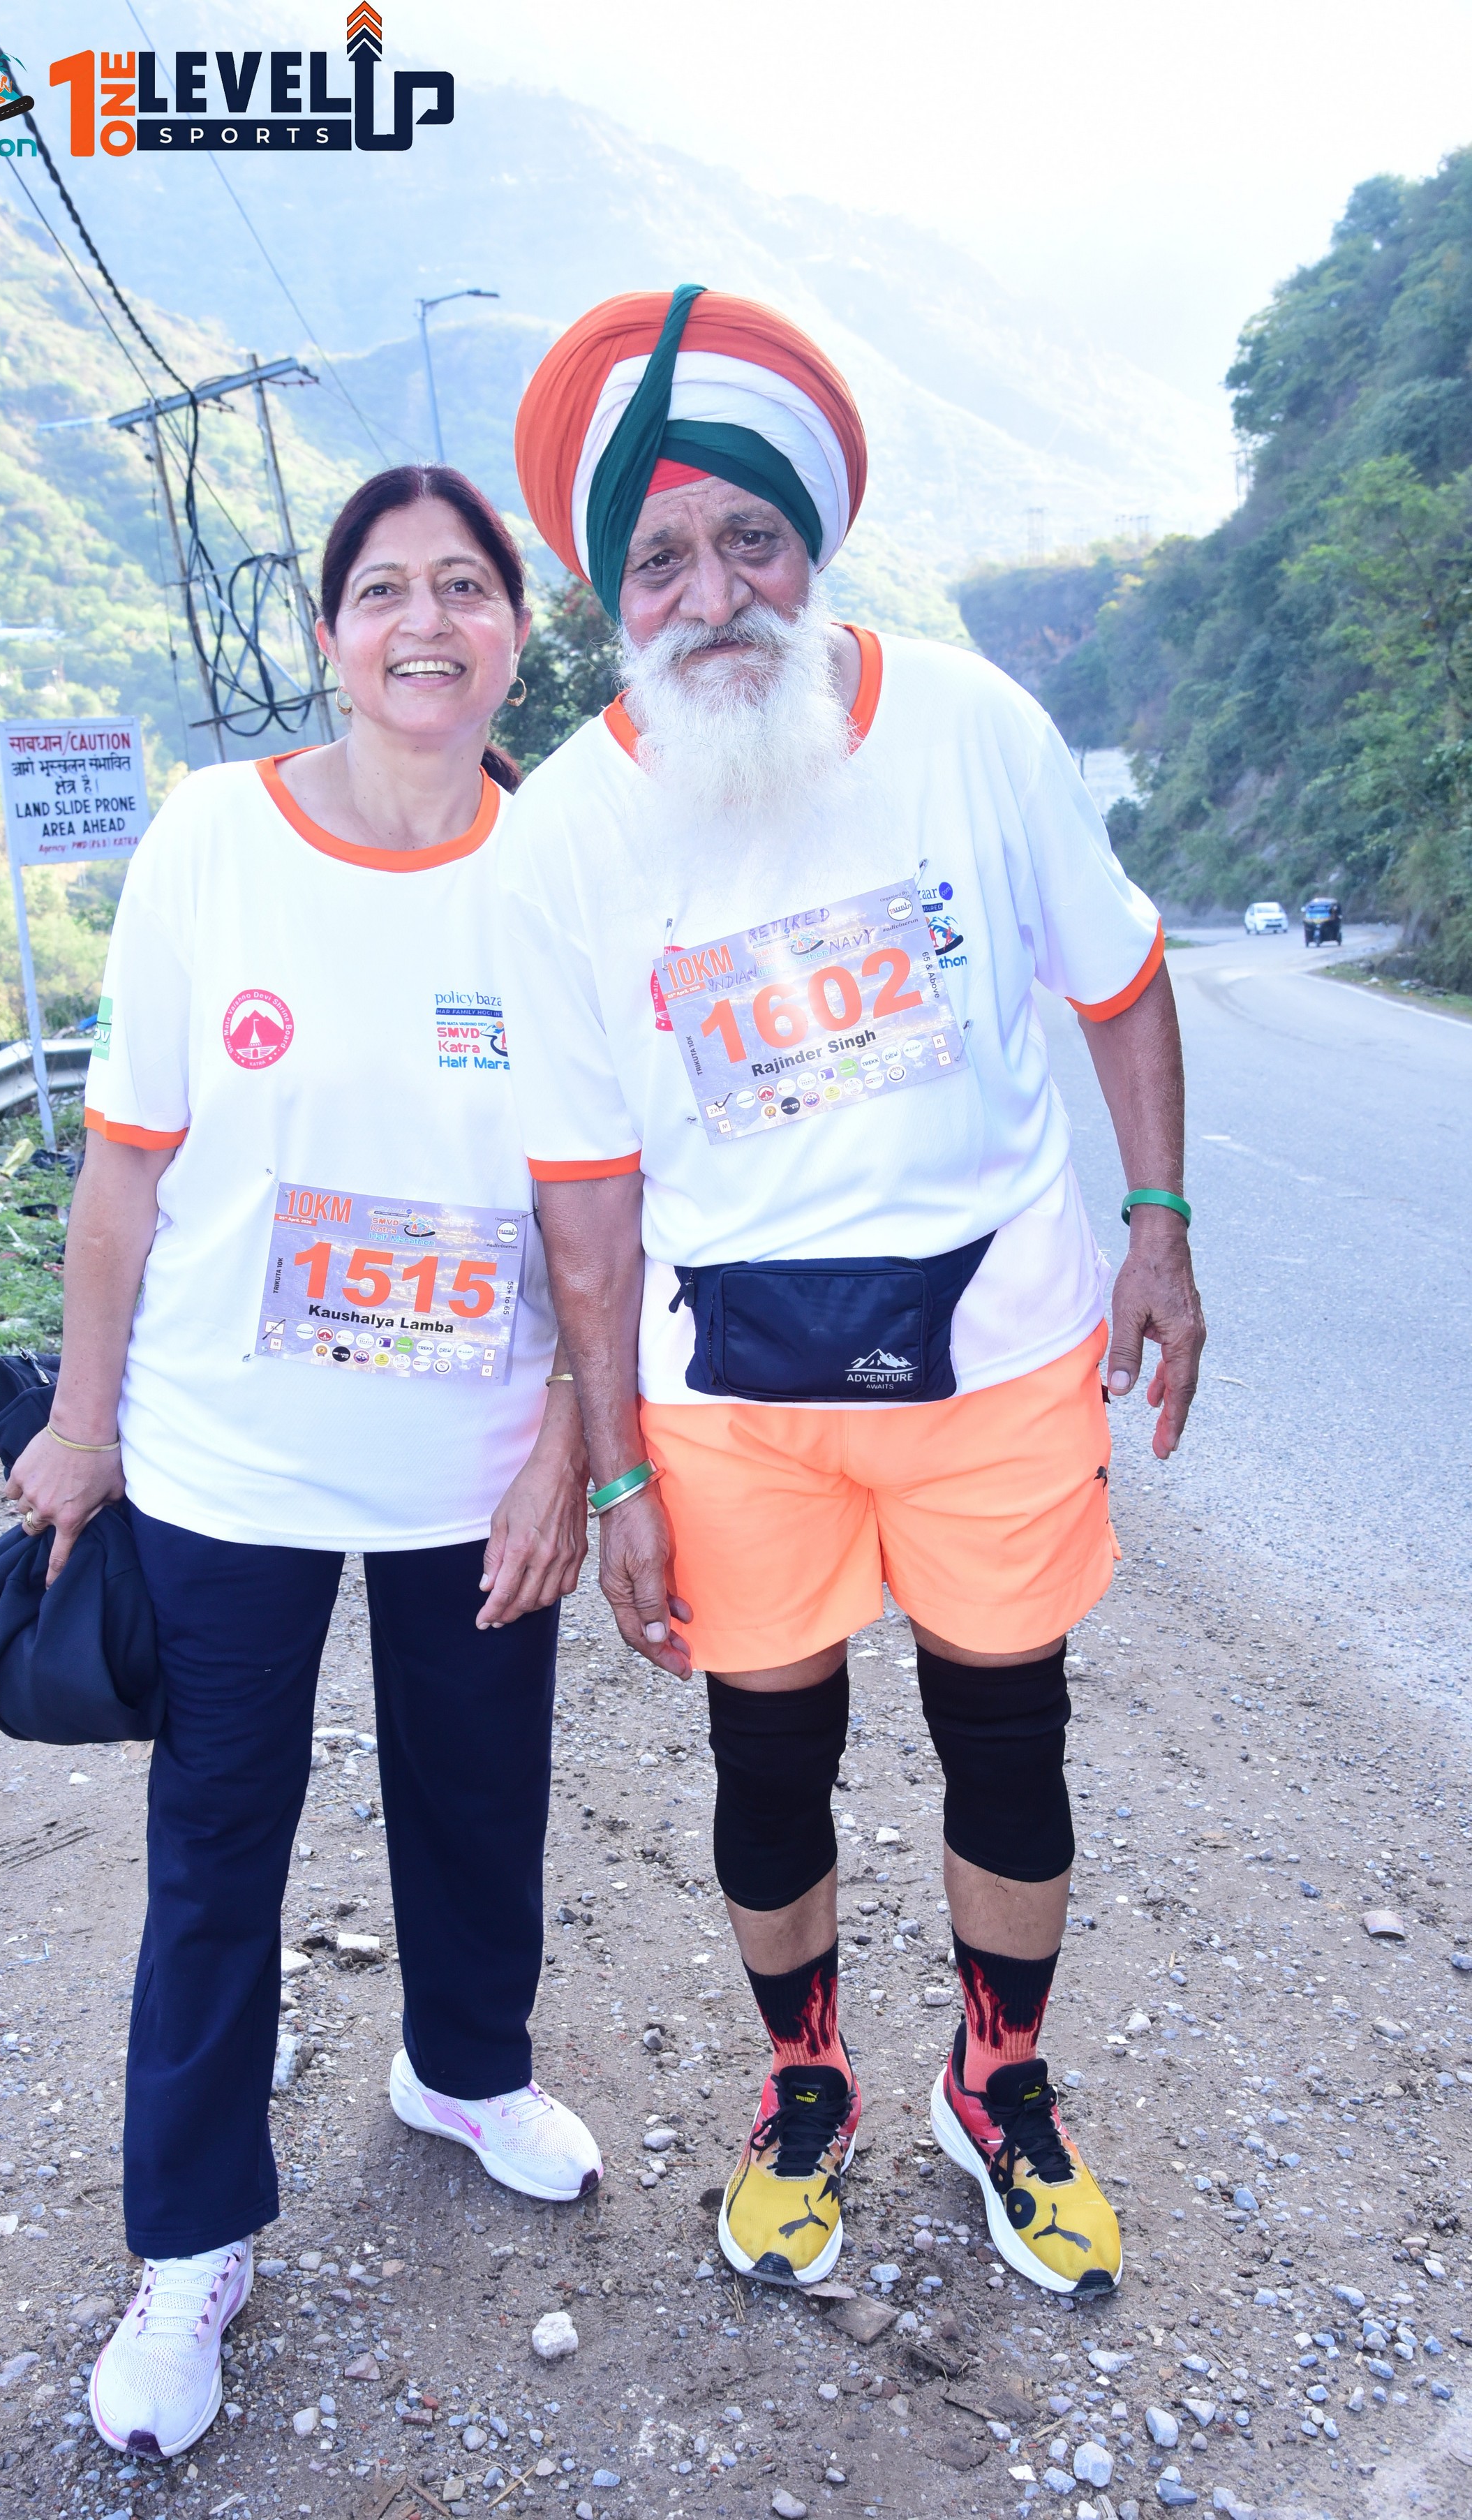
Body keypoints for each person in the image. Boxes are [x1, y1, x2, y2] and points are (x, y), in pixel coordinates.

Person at [498, 286, 1206, 2301]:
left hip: (997, 1350)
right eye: (658, 557)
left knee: (1008, 1738)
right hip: (733, 1397)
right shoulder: (564, 834)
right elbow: (583, 1196)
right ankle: (803, 2085)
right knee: (766, 1759)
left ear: (812, 543)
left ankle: (1002, 2082)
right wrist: (614, 1473)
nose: (712, 591)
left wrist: (1156, 1221)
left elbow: (1117, 975)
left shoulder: (971, 726)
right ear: (607, 595)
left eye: (750, 538)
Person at [6, 465, 600, 2463]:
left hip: (471, 1458)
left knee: (481, 1795)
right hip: (228, 1458)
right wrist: (84, 1424)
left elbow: (609, 1209)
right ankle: (190, 2247)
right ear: (331, 631)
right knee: (214, 1855)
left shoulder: (564, 871)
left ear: (513, 627)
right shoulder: (210, 839)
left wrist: (570, 1449)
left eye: (466, 586)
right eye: (384, 590)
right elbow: (121, 1176)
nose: (426, 622)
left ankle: (466, 2068)